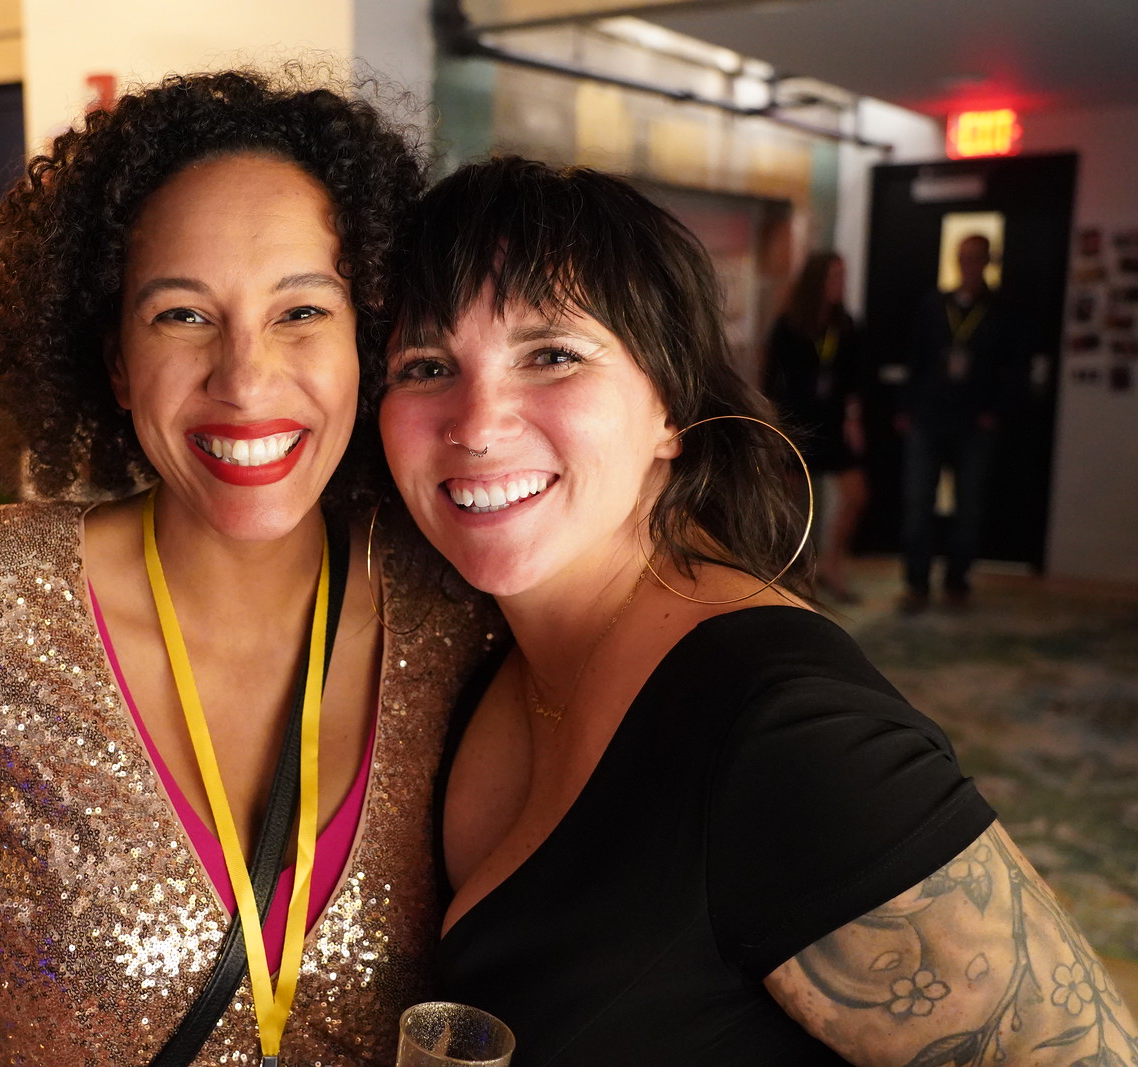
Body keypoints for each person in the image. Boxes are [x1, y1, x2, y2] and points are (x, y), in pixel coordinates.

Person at [0, 70, 493, 1066]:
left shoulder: (454, 614)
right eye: (181, 315)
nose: (244, 379)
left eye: (301, 310)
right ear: (117, 361)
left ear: (368, 341)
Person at [379, 158, 1138, 1065]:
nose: (476, 423)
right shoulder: (483, 651)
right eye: (427, 365)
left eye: (552, 355)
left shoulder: (785, 728)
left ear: (670, 407)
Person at [898, 233, 1019, 612]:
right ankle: (917, 581)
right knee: (918, 501)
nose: (968, 264)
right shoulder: (934, 305)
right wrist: (907, 408)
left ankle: (957, 581)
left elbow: (1015, 366)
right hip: (929, 418)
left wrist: (994, 411)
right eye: (963, 257)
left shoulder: (1001, 309)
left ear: (987, 262)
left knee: (969, 507)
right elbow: (915, 358)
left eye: (976, 257)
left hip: (973, 423)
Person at [765, 251, 867, 602]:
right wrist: (773, 427)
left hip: (834, 422)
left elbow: (854, 379)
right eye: (834, 277)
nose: (840, 284)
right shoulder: (790, 325)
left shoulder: (846, 324)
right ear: (817, 281)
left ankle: (832, 564)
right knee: (787, 499)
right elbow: (771, 380)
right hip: (797, 421)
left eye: (843, 276)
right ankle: (785, 570)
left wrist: (853, 418)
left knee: (857, 495)